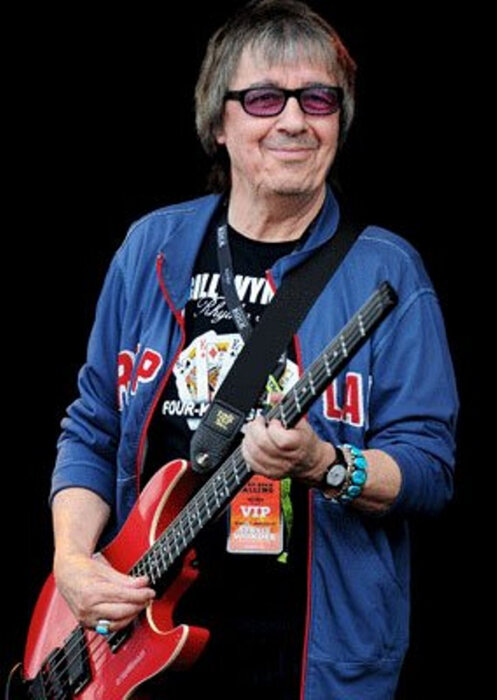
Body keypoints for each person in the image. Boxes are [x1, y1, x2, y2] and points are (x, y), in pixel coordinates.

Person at [49, 1, 459, 698]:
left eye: (318, 99)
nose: (294, 120)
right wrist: (72, 563)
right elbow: (93, 428)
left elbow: (428, 470)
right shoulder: (151, 248)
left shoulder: (387, 273)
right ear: (218, 122)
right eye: (265, 98)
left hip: (309, 665)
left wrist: (325, 464)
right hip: (134, 659)